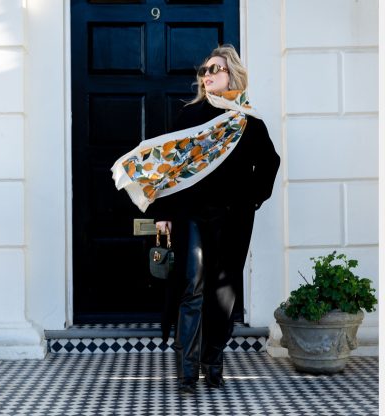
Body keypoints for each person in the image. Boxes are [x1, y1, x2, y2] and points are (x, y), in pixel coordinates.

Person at [111, 44, 280, 394]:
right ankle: (187, 370)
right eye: (204, 71)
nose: (207, 76)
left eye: (214, 70)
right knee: (192, 287)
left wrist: (251, 200)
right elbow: (171, 171)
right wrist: (161, 214)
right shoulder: (189, 119)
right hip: (191, 216)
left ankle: (212, 361)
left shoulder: (246, 121)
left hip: (232, 218)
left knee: (224, 292)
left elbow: (269, 164)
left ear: (231, 75)